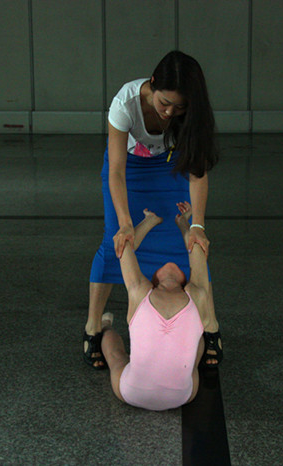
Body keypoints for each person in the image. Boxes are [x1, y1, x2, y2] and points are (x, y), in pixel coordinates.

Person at [84, 51, 222, 370]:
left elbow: (198, 171)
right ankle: (92, 326)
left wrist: (198, 225)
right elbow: (116, 171)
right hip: (129, 169)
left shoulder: (192, 112)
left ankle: (209, 325)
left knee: (189, 243)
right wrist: (125, 223)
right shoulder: (125, 102)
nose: (171, 112)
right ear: (153, 83)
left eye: (180, 107)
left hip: (170, 167)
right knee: (116, 242)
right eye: (165, 103)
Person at [100, 202, 215, 410]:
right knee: (198, 344)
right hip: (182, 396)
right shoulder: (197, 297)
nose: (169, 264)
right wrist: (185, 224)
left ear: (154, 279)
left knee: (115, 355)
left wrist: (147, 223)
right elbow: (197, 245)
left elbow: (124, 246)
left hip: (132, 391)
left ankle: (105, 326)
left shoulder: (140, 292)